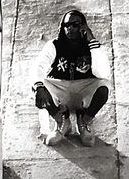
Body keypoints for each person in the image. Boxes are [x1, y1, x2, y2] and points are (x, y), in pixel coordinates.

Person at [32, 10, 111, 147]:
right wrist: (38, 87)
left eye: (75, 25)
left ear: (83, 27)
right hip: (60, 88)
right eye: (66, 25)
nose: (70, 28)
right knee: (39, 85)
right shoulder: (54, 45)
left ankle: (84, 122)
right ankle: (62, 121)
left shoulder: (91, 47)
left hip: (83, 90)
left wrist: (92, 41)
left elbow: (102, 73)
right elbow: (39, 66)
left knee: (103, 87)